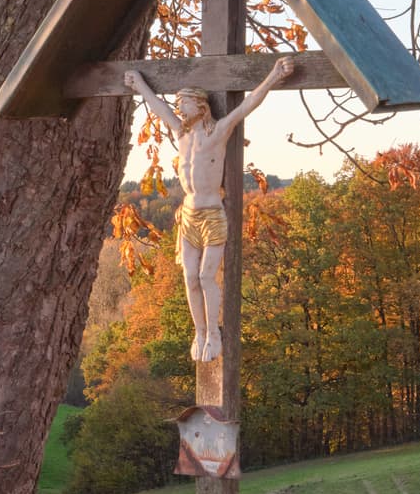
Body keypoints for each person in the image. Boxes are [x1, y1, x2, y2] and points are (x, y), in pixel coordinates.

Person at [122, 56, 298, 363]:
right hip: (188, 215)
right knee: (190, 277)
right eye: (178, 104)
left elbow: (247, 105)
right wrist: (139, 85)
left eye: (184, 104)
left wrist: (273, 77)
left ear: (201, 106)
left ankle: (214, 333)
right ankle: (200, 332)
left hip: (212, 214)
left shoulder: (218, 132)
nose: (179, 109)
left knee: (206, 277)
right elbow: (160, 109)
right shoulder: (181, 133)